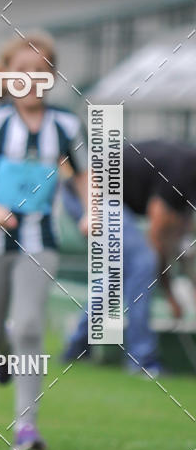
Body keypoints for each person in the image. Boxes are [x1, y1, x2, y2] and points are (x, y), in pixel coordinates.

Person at [0, 32, 88, 450]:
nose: (32, 79)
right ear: (6, 77)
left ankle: (26, 427)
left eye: (41, 71)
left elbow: (86, 175)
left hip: (42, 240)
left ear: (52, 77)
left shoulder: (67, 125)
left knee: (30, 326)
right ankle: (0, 354)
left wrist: (92, 210)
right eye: (23, 72)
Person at [61, 139, 196, 374]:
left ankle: (78, 344)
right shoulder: (184, 172)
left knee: (118, 274)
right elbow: (157, 239)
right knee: (143, 263)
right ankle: (142, 359)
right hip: (88, 194)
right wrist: (170, 293)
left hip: (109, 199)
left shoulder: (188, 187)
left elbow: (178, 242)